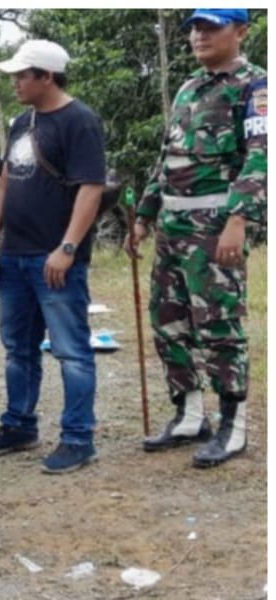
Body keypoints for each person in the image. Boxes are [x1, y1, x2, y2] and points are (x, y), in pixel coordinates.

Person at [132, 7, 266, 467]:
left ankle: (234, 427)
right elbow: (167, 155)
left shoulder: (257, 86)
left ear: (241, 31)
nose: (199, 36)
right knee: (168, 321)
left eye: (211, 27)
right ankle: (189, 415)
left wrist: (238, 219)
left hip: (215, 224)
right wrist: (144, 214)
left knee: (219, 324)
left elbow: (260, 157)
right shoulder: (189, 87)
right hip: (172, 225)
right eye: (194, 28)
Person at [0, 40, 107, 474]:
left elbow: (91, 188)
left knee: (70, 350)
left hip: (55, 257)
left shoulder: (80, 121)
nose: (15, 83)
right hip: (15, 254)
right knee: (18, 348)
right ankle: (19, 424)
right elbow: (7, 183)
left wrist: (67, 248)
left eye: (22, 75)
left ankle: (77, 437)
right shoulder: (21, 122)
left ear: (46, 76)